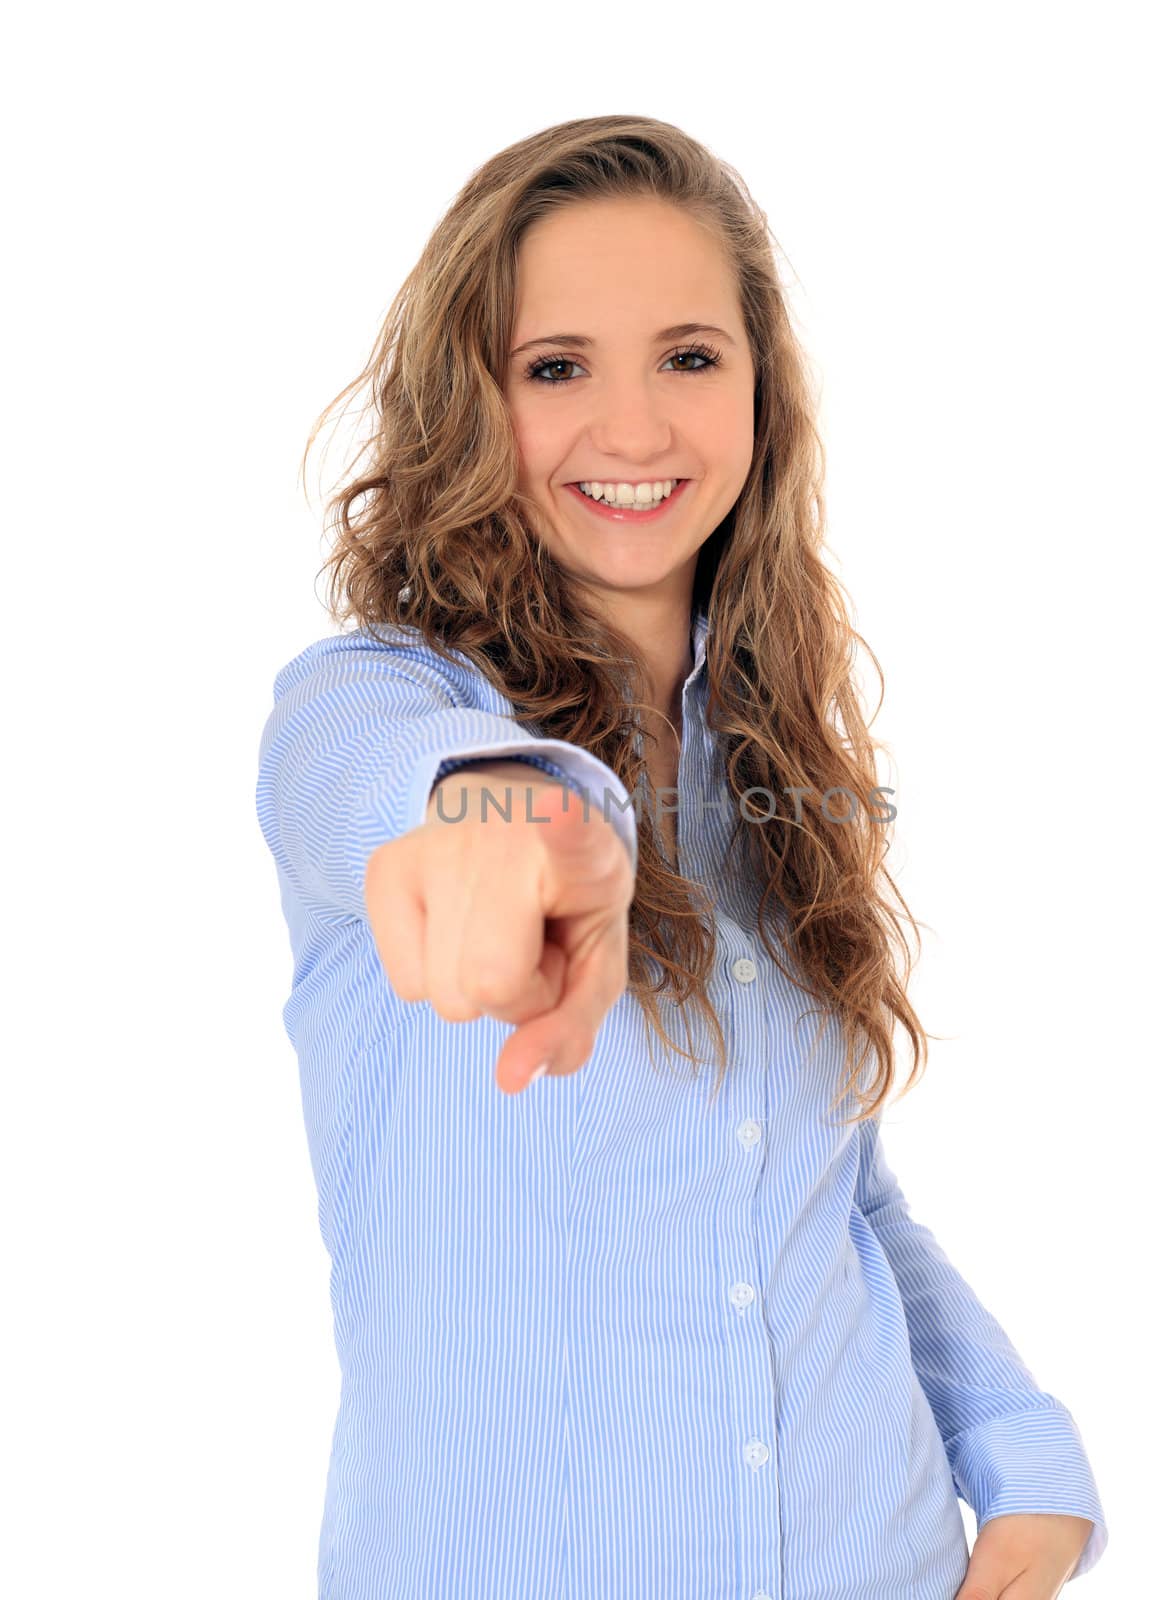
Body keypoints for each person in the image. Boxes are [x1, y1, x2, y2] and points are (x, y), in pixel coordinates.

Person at [255, 115, 1107, 1600]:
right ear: (469, 402)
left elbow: (831, 1196)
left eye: (691, 357)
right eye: (557, 366)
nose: (636, 430)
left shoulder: (783, 768)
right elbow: (401, 792)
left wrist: (1023, 1469)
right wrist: (518, 814)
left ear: (763, 395)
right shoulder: (375, 704)